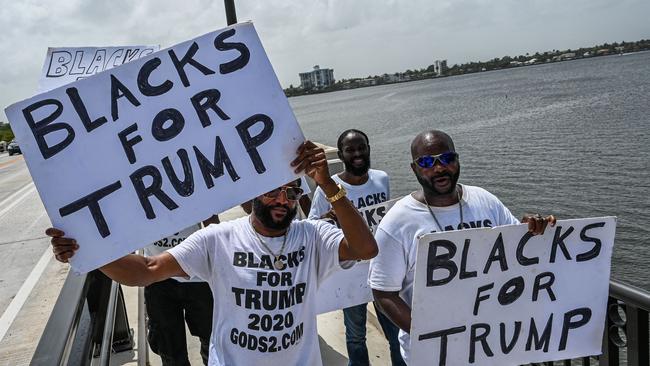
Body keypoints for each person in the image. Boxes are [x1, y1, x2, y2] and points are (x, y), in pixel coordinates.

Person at [48, 140, 378, 366]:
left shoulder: (313, 235)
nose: (282, 200)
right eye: (272, 192)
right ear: (251, 196)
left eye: (291, 193)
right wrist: (87, 250)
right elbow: (146, 270)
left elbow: (365, 248)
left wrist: (328, 186)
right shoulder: (217, 239)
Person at [368, 130, 556, 364]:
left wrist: (531, 228)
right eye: (427, 162)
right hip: (434, 355)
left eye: (447, 159)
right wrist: (430, 334)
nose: (439, 168)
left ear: (457, 160)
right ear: (414, 168)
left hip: (491, 346)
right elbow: (383, 292)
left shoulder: (485, 201)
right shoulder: (398, 222)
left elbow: (516, 254)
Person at [308, 129, 405, 366]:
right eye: (350, 150)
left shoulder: (382, 178)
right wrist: (328, 217)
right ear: (341, 155)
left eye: (362, 147)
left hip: (382, 268)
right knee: (355, 335)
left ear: (369, 148)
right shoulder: (327, 189)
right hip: (350, 274)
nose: (358, 153)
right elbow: (312, 226)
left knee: (395, 332)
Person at [143, 214, 219, 366]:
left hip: (197, 273)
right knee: (168, 348)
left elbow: (213, 224)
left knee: (212, 340)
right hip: (157, 277)